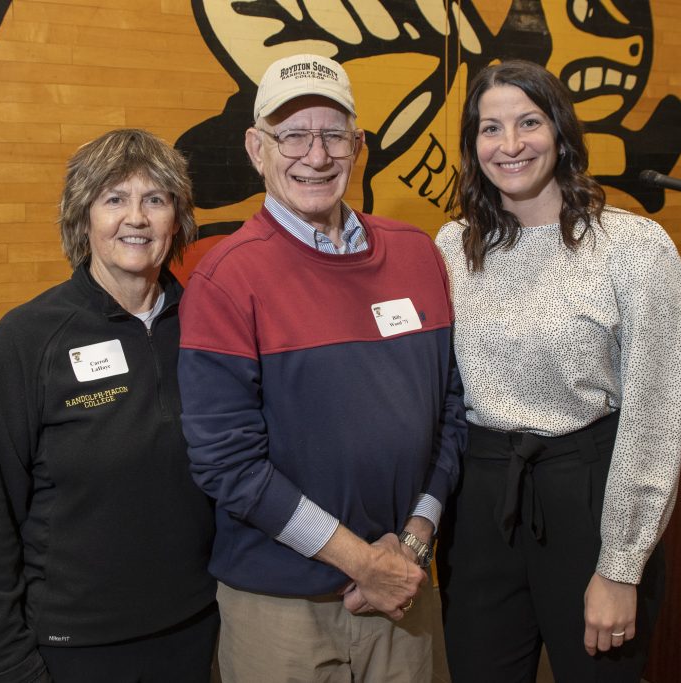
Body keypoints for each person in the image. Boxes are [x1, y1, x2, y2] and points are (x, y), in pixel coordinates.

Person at [177, 53, 465, 682]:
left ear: (358, 146)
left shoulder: (418, 254)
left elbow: (451, 412)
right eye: (293, 135)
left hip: (404, 591)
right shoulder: (226, 278)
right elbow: (226, 463)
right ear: (257, 149)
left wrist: (414, 541)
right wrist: (362, 562)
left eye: (334, 134)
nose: (316, 155)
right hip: (280, 610)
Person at [434, 60, 681, 682]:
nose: (511, 144)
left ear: (560, 131)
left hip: (590, 500)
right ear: (474, 145)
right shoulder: (450, 247)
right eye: (490, 128)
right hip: (480, 508)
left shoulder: (633, 247)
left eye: (528, 122)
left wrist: (620, 567)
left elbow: (655, 416)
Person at [0, 129, 217, 683]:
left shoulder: (208, 323)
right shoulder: (28, 338)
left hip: (197, 629)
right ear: (83, 218)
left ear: (178, 217)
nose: (137, 218)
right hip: (75, 646)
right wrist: (9, 662)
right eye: (114, 199)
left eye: (155, 199)